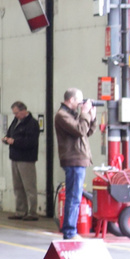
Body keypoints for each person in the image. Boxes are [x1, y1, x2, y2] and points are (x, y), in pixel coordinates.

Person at [54, 88, 99, 237]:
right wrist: (85, 113)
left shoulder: (72, 115)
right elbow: (80, 130)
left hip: (78, 159)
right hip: (73, 160)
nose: (81, 104)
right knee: (73, 197)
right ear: (71, 100)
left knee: (76, 196)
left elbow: (87, 132)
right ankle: (69, 231)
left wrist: (92, 117)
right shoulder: (62, 115)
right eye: (79, 101)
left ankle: (70, 230)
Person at [3, 102, 41, 220]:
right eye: (14, 113)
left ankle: (33, 212)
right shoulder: (15, 121)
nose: (16, 115)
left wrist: (14, 142)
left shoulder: (32, 124)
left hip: (26, 159)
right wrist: (6, 139)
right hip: (15, 157)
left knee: (29, 187)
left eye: (17, 113)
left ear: (24, 110)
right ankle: (20, 211)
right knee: (17, 186)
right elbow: (10, 133)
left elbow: (30, 142)